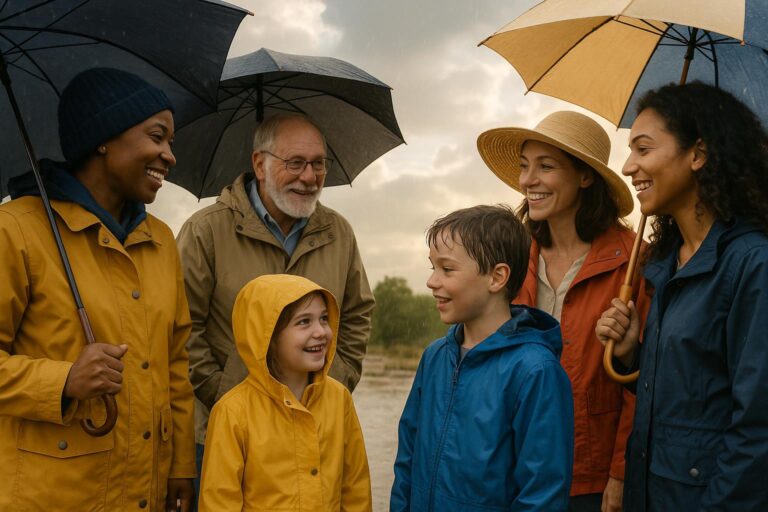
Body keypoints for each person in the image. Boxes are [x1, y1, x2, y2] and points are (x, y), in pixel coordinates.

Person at [0, 68, 195, 510]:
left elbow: (175, 364)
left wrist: (181, 463)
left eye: (171, 143)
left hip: (146, 491)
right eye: (157, 136)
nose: (169, 156)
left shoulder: (162, 240)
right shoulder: (16, 230)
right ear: (104, 137)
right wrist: (64, 379)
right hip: (51, 495)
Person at [176, 112, 375, 497]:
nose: (310, 176)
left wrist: (335, 386)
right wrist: (224, 395)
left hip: (316, 435)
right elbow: (181, 327)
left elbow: (357, 315)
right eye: (295, 162)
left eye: (318, 163)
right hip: (223, 436)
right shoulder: (206, 231)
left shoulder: (339, 232)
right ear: (259, 164)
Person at [596, 82, 768, 511]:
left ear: (698, 155)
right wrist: (636, 353)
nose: (628, 165)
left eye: (643, 148)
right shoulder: (666, 264)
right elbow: (696, 391)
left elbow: (757, 427)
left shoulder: (753, 264)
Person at [477, 111, 650, 512]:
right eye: (524, 167)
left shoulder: (634, 263)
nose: (527, 181)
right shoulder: (513, 259)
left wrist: (620, 473)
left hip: (590, 473)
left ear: (585, 177)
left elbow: (641, 381)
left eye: (546, 166)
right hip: (516, 463)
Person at [390, 204, 574, 511]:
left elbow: (542, 494)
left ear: (497, 277)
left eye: (447, 269)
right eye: (432, 267)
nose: (432, 282)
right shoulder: (434, 357)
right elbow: (406, 460)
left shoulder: (536, 371)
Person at [198, 274, 371, 511]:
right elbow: (219, 503)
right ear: (267, 337)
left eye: (323, 318)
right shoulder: (231, 412)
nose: (321, 331)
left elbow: (356, 492)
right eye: (303, 322)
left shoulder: (340, 399)